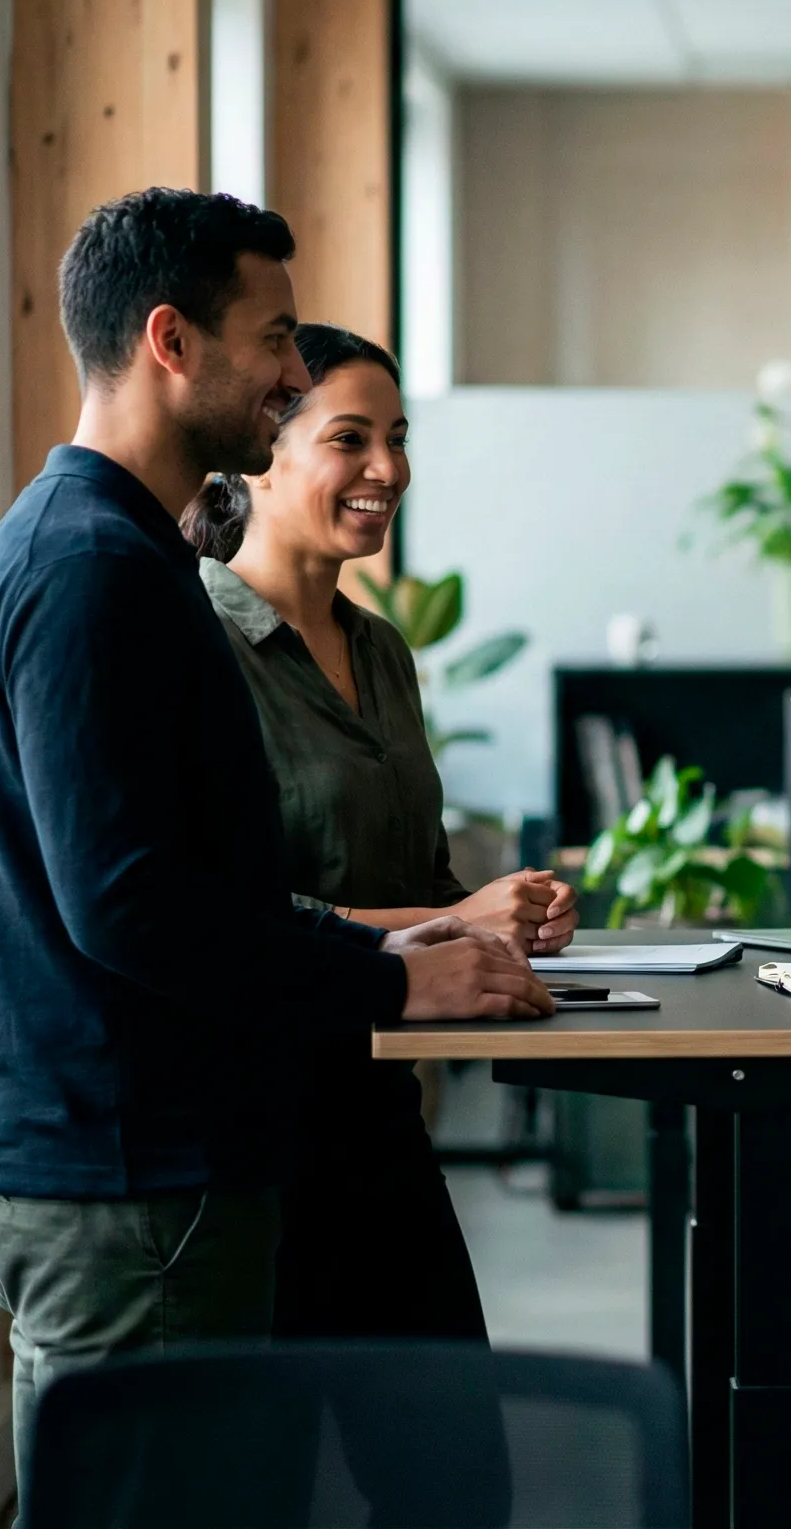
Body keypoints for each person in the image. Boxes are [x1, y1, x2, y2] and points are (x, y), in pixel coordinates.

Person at [0, 189, 556, 1491]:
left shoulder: (116, 555)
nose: (287, 371)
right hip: (128, 1164)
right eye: (273, 339)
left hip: (156, 1152)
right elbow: (134, 906)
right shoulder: (93, 570)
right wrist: (392, 980)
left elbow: (190, 883)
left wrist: (396, 948)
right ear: (171, 341)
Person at [181, 322, 577, 1344]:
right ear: (261, 456)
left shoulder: (383, 651)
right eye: (349, 440)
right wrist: (459, 919)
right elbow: (223, 917)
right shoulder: (195, 645)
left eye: (396, 439)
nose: (388, 470)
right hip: (251, 1133)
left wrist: (510, 921)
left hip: (381, 1114)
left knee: (447, 1432)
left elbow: (423, 882)